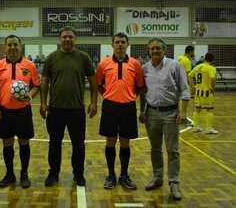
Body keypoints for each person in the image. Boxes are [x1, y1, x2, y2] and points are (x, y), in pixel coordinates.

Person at [40, 26, 98, 187]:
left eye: (70, 37)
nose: (67, 39)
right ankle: (53, 173)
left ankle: (78, 174)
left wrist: (94, 102)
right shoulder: (52, 57)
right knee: (54, 143)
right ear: (59, 39)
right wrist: (43, 103)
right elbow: (44, 80)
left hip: (77, 110)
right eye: (64, 37)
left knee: (79, 144)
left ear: (75, 39)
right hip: (55, 109)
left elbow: (93, 80)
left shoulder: (83, 57)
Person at [139, 37, 190, 201]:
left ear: (164, 50)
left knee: (172, 150)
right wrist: (142, 111)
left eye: (158, 48)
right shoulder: (144, 68)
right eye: (152, 48)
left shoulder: (175, 65)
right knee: (155, 148)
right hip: (151, 114)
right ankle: (158, 177)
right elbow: (142, 93)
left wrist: (183, 112)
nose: (154, 51)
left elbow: (184, 90)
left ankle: (174, 182)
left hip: (171, 113)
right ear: (148, 50)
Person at [0, 35, 40, 189]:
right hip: (5, 112)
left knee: (24, 142)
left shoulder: (29, 65)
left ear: (20, 46)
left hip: (23, 111)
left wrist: (29, 96)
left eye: (15, 45)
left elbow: (36, 86)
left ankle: (24, 174)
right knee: (7, 143)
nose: (12, 47)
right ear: (5, 47)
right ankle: (9, 174)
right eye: (9, 45)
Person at [96, 32, 144, 189]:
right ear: (112, 44)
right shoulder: (104, 64)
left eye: (123, 42)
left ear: (128, 44)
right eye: (117, 42)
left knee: (125, 142)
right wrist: (109, 96)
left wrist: (129, 97)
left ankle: (124, 175)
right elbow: (98, 85)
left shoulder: (135, 64)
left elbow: (139, 87)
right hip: (110, 107)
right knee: (110, 141)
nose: (120, 45)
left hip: (128, 107)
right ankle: (111, 175)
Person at [188, 52, 218, 134]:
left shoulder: (198, 67)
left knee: (197, 109)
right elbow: (212, 78)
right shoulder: (210, 68)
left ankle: (196, 127)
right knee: (210, 109)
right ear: (212, 60)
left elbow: (190, 76)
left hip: (198, 91)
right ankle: (208, 128)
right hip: (207, 92)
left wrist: (193, 86)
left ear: (205, 58)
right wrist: (213, 87)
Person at [177, 45, 195, 126]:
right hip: (182, 84)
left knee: (178, 102)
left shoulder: (179, 58)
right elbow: (188, 75)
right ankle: (183, 119)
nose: (194, 53)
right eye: (193, 51)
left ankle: (179, 118)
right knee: (184, 102)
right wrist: (192, 87)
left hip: (176, 82)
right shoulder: (187, 61)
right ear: (191, 52)